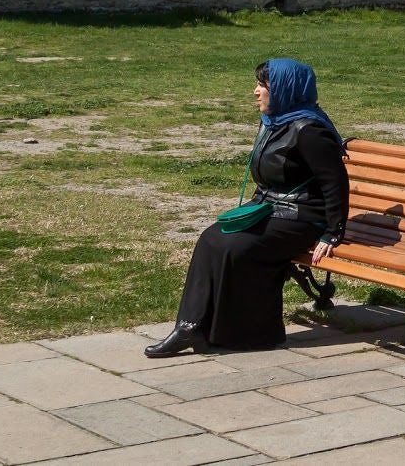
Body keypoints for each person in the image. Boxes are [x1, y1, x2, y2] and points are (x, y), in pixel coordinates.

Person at [144, 58, 349, 358]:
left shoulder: (309, 131)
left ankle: (252, 334)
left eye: (263, 86)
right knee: (211, 239)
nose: (256, 91)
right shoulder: (273, 122)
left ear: (285, 90)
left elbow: (335, 183)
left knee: (235, 247)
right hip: (271, 209)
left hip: (303, 217)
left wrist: (332, 232)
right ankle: (190, 327)